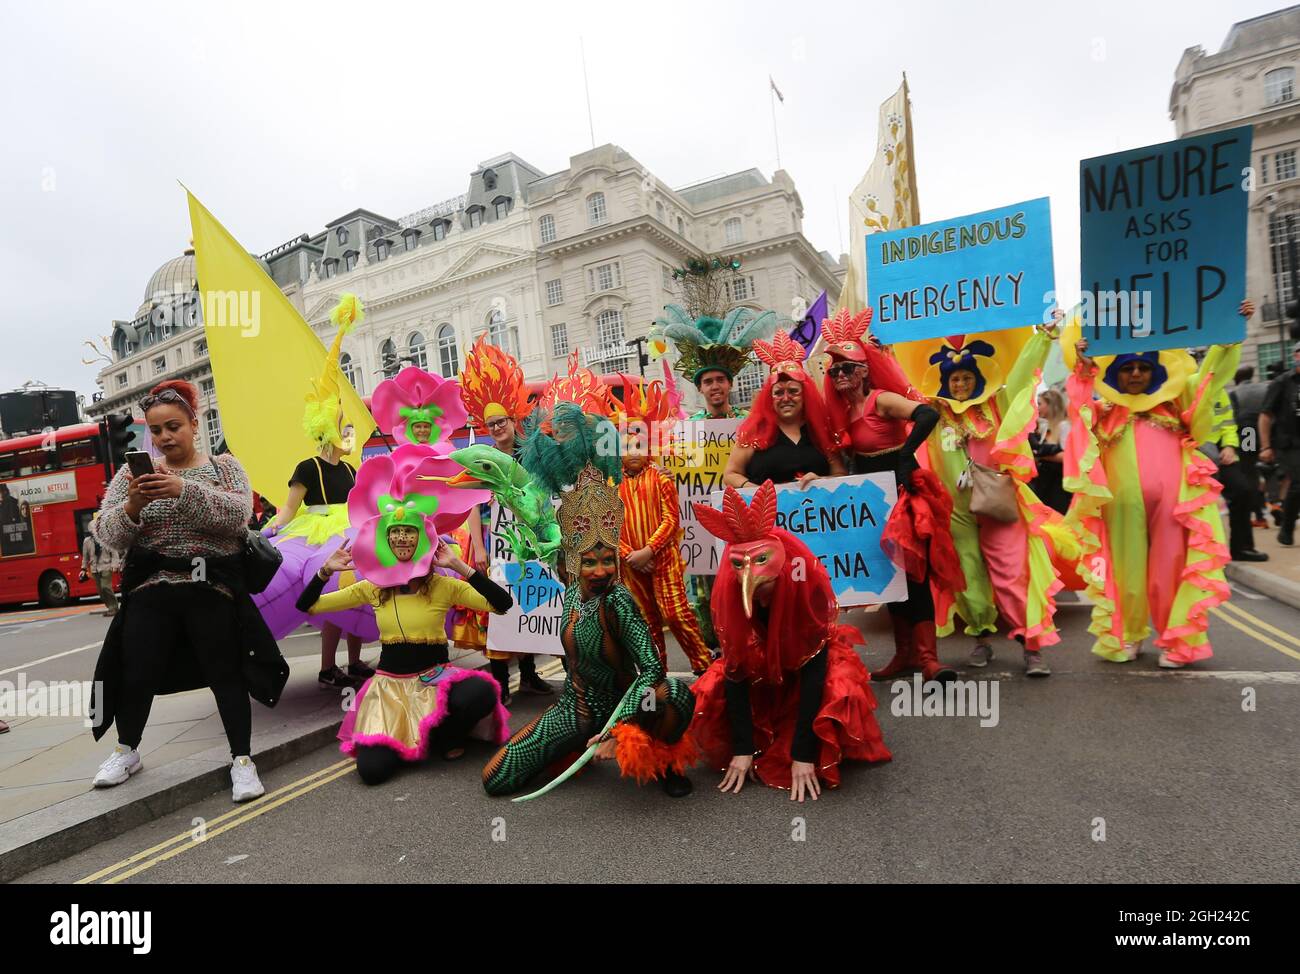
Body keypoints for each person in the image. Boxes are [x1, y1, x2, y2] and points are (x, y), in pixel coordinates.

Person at [88, 380, 289, 802]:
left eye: (174, 427)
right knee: (136, 672)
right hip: (151, 588)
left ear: (194, 424)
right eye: (157, 430)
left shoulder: (224, 467)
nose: (165, 438)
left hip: (210, 586)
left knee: (225, 674)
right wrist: (132, 507)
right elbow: (108, 534)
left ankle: (242, 761)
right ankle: (127, 751)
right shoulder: (132, 473)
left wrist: (184, 490)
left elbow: (238, 515)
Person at [482, 403, 696, 798]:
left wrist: (620, 729)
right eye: (590, 563)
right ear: (574, 563)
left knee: (675, 695)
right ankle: (563, 750)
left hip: (629, 705)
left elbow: (650, 671)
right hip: (577, 710)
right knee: (497, 778)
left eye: (606, 562)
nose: (600, 572)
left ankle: (663, 759)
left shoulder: (619, 600)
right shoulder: (564, 595)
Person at [1065, 300, 1252, 668]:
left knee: (1170, 569)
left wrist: (1229, 335)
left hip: (1173, 504)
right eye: (1127, 368)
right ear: (1115, 374)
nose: (1135, 374)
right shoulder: (1105, 414)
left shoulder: (1175, 405)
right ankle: (1127, 636)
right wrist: (1084, 368)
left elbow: (1208, 381)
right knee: (1126, 573)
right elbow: (1079, 409)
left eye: (1143, 367)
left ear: (1156, 372)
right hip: (1121, 505)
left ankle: (1175, 642)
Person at [689, 481, 891, 800]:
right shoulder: (732, 595)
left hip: (803, 661)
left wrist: (802, 753)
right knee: (712, 685)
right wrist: (742, 748)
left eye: (766, 589)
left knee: (838, 687)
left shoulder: (802, 583)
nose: (762, 600)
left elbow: (813, 673)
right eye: (754, 594)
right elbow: (736, 669)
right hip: (765, 664)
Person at [298, 514, 510, 785]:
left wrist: (459, 565)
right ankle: (412, 735)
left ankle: (446, 736)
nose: (401, 537)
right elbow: (308, 606)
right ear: (386, 541)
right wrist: (324, 571)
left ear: (423, 539)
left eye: (409, 531)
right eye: (395, 531)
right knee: (373, 772)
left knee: (480, 692)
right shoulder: (372, 588)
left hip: (435, 679)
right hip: (390, 690)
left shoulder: (443, 585)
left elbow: (502, 604)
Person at [819, 308, 965, 683]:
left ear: (865, 370)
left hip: (902, 493)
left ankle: (929, 658)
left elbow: (927, 416)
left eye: (847, 368)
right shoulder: (843, 412)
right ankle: (904, 655)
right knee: (891, 577)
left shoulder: (880, 399)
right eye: (834, 370)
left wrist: (904, 455)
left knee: (913, 576)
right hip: (873, 498)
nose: (839, 375)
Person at [917, 324, 1066, 676]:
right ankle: (981, 640)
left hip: (999, 505)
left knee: (1012, 574)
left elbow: (1019, 375)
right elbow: (896, 388)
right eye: (953, 380)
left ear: (977, 379)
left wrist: (1042, 338)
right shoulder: (933, 413)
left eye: (966, 378)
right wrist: (883, 352)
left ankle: (1031, 647)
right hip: (956, 511)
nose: (960, 385)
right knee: (967, 576)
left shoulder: (996, 403)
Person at [254, 295, 376, 689]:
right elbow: (289, 508)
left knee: (358, 590)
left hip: (352, 529)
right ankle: (327, 667)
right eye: (345, 429)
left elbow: (362, 505)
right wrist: (270, 530)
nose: (350, 436)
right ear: (326, 429)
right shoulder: (307, 467)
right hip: (317, 534)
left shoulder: (353, 468)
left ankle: (355, 662)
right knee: (330, 599)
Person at [655, 304, 778, 649]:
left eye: (720, 380)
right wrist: (670, 471)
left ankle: (759, 642)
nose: (714, 387)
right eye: (708, 381)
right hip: (704, 524)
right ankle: (720, 648)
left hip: (744, 516)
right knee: (709, 589)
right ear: (701, 388)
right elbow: (683, 471)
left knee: (752, 581)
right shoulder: (688, 429)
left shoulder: (748, 421)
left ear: (729, 383)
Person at [459, 335, 552, 703]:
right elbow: (472, 506)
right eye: (491, 423)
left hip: (529, 543)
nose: (498, 428)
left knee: (531, 603)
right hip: (496, 546)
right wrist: (478, 547)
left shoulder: (532, 455)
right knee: (500, 609)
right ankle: (500, 684)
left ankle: (528, 675)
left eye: (503, 421)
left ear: (514, 421)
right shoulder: (482, 458)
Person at [616, 372, 713, 676]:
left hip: (664, 558)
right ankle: (655, 674)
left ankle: (703, 664)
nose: (632, 452)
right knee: (645, 622)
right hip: (631, 563)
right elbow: (608, 524)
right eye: (625, 445)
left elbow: (672, 519)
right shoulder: (611, 484)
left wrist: (649, 550)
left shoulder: (659, 478)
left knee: (675, 613)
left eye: (638, 445)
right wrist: (629, 554)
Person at [723, 331, 846, 489]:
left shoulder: (821, 430)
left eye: (793, 391)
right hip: (767, 511)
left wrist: (820, 480)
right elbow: (730, 474)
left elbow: (841, 474)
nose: (786, 398)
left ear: (805, 394)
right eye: (779, 392)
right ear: (770, 397)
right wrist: (755, 491)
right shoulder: (754, 431)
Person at [1208, 387, 1266, 562]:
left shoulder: (1219, 389)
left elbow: (1228, 423)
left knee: (1243, 490)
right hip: (1190, 450)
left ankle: (1241, 547)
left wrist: (1230, 446)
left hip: (1221, 450)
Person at [1259, 341, 1300, 546]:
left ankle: (1284, 521)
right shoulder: (1282, 383)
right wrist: (1264, 447)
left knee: (1293, 485)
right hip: (1288, 444)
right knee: (1297, 483)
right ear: (1296, 356)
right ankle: (1284, 524)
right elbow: (1264, 416)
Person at [1229, 365, 1269, 528]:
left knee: (1250, 472)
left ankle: (1259, 515)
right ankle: (1275, 503)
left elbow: (1233, 418)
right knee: (1268, 470)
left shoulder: (1235, 393)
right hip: (1267, 432)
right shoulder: (1264, 388)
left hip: (1247, 434)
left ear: (1237, 379)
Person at [1030, 388, 1071, 515]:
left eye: (1040, 404)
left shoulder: (1064, 426)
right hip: (1044, 483)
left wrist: (1041, 455)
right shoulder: (1045, 427)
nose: (1037, 408)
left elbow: (1067, 456)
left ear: (1051, 404)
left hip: (1059, 485)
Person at [80, 511, 121, 615]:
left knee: (105, 587)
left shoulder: (106, 539)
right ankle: (110, 607)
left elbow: (114, 552)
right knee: (101, 592)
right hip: (95, 569)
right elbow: (85, 557)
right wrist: (83, 569)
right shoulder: (87, 541)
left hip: (106, 566)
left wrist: (114, 565)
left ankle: (114, 608)